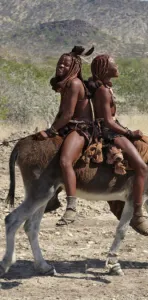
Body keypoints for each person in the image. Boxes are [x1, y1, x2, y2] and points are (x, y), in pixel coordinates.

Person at [87, 54, 148, 232]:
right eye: (114, 64)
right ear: (105, 69)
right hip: (108, 133)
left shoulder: (104, 88)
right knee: (142, 168)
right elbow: (108, 121)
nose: (117, 67)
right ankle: (137, 213)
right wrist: (130, 132)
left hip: (111, 130)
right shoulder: (103, 91)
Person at [36, 46, 94, 226]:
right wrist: (51, 129)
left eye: (65, 64)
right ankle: (52, 198)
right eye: (60, 62)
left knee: (65, 160)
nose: (60, 65)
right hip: (68, 127)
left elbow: (68, 114)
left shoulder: (74, 84)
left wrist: (51, 131)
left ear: (74, 67)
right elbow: (62, 113)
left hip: (80, 129)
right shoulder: (66, 84)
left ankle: (71, 207)